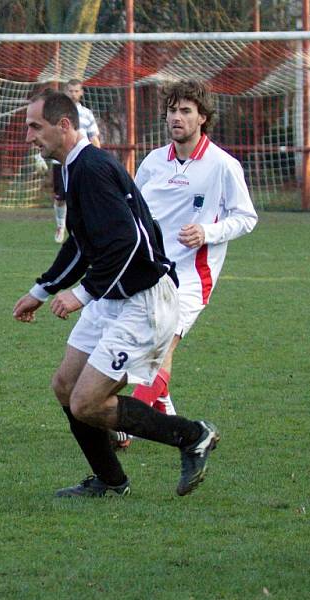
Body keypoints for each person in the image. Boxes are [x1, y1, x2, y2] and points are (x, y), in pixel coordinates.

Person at [13, 89, 219, 498]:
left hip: (143, 301)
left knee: (88, 401)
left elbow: (125, 243)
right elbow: (81, 241)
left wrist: (81, 294)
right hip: (115, 296)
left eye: (35, 127)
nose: (29, 137)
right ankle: (111, 482)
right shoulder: (75, 166)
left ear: (64, 126)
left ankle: (191, 434)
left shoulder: (90, 168)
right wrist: (42, 289)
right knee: (65, 387)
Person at [128, 79, 257, 418]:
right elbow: (134, 212)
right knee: (148, 347)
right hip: (152, 271)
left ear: (202, 117)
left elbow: (246, 217)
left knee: (164, 344)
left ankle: (130, 420)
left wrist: (207, 231)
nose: (177, 117)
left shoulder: (222, 165)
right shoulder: (153, 162)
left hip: (192, 276)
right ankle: (167, 414)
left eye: (186, 111)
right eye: (172, 111)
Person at [51, 78, 101, 243]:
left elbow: (93, 137)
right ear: (66, 92)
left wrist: (98, 158)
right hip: (61, 162)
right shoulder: (57, 114)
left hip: (82, 162)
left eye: (76, 91)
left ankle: (82, 229)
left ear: (81, 92)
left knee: (83, 196)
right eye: (70, 91)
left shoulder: (87, 114)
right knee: (61, 197)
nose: (73, 94)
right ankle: (60, 226)